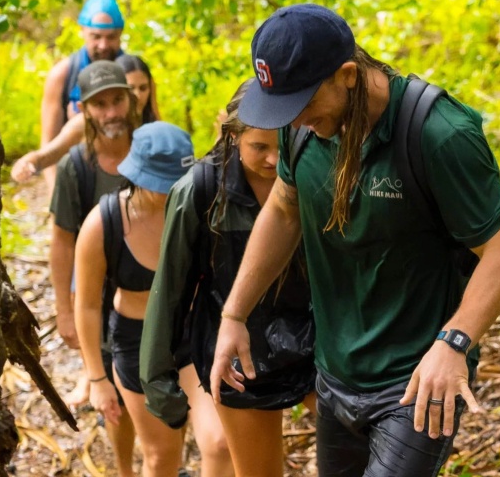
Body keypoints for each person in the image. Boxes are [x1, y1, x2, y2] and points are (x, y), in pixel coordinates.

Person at [209, 4, 500, 477]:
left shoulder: (438, 133)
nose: (294, 121)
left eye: (302, 104)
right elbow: (284, 208)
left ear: (348, 75)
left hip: (416, 379)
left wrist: (454, 344)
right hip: (336, 373)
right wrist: (234, 314)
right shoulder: (302, 131)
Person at [139, 80, 316, 477]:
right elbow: (170, 291)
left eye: (283, 144)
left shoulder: (315, 168)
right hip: (238, 351)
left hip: (315, 338)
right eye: (259, 147)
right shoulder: (200, 190)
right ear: (233, 135)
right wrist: (158, 381)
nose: (274, 159)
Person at [75, 122, 232, 477]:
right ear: (139, 177)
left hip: (190, 334)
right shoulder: (103, 223)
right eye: (163, 185)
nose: (173, 191)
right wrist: (97, 378)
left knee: (220, 443)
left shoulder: (200, 207)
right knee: (162, 457)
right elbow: (86, 304)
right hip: (137, 343)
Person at [49, 60, 139, 476]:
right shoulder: (76, 167)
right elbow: (62, 241)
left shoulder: (152, 152)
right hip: (97, 300)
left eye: (117, 100)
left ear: (131, 100)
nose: (111, 112)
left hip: (152, 293)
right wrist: (64, 310)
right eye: (100, 105)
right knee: (114, 396)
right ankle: (125, 469)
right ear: (84, 110)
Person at [12, 54, 158, 184]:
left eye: (143, 88)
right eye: (131, 88)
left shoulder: (153, 125)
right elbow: (50, 153)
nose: (137, 95)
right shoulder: (84, 123)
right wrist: (28, 162)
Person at [39, 0, 127, 193]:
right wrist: (56, 196)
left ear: (120, 34)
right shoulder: (62, 75)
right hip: (77, 178)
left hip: (124, 179)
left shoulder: (133, 74)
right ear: (83, 31)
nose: (103, 45)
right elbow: (48, 143)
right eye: (96, 36)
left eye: (111, 37)